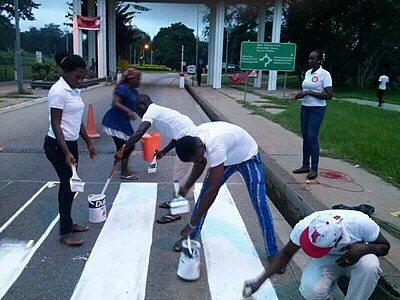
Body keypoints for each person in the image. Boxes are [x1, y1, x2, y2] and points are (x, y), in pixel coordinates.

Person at [173, 121, 279, 259]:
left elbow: (212, 190)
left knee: (260, 203)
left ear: (200, 147)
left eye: (196, 158)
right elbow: (200, 163)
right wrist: (186, 186)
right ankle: (190, 237)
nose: (197, 161)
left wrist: (191, 223)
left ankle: (273, 252)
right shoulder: (194, 139)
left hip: (247, 157)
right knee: (203, 196)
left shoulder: (215, 145)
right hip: (227, 158)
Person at [242, 209, 390, 299]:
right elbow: (285, 254)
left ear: (337, 239)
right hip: (329, 260)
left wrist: (365, 249)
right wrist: (259, 281)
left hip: (358, 259)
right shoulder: (305, 226)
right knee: (310, 290)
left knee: (370, 264)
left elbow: (385, 246)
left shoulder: (360, 223)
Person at [43, 52, 96, 246]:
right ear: (65, 72)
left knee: (71, 187)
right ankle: (65, 232)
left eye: (82, 76)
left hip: (70, 143)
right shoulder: (58, 91)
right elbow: (56, 124)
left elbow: (77, 120)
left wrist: (88, 142)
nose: (80, 80)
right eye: (76, 76)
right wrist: (66, 152)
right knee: (67, 186)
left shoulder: (74, 89)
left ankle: (69, 222)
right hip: (57, 145)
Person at [123, 94, 197, 218]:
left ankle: (177, 212)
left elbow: (140, 132)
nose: (138, 113)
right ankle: (176, 202)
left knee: (180, 177)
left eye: (138, 110)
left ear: (143, 105)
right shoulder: (157, 110)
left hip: (190, 142)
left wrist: (123, 149)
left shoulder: (151, 111)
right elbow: (176, 136)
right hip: (186, 139)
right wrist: (163, 151)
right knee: (178, 177)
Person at [291, 50, 333, 180]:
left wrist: (308, 92)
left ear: (319, 61)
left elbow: (329, 95)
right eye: (309, 59)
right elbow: (306, 90)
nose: (309, 61)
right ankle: (305, 165)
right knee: (305, 137)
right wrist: (299, 95)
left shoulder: (324, 74)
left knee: (312, 136)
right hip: (305, 107)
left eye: (312, 59)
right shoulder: (308, 73)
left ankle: (314, 168)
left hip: (317, 109)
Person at [102, 68, 141, 180]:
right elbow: (115, 103)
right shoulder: (122, 88)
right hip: (115, 121)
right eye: (138, 79)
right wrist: (128, 111)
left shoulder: (133, 91)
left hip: (123, 122)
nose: (139, 82)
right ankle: (124, 172)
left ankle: (120, 159)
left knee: (126, 145)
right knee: (127, 145)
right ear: (131, 79)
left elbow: (137, 107)